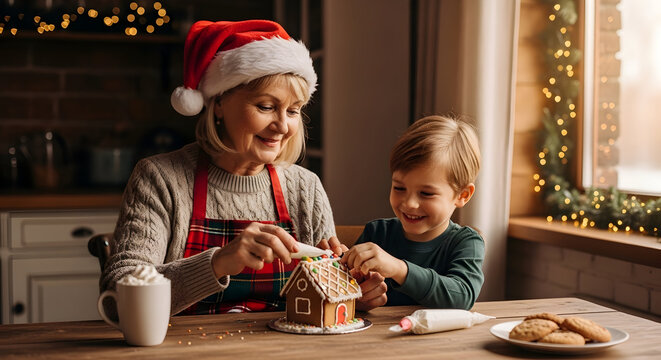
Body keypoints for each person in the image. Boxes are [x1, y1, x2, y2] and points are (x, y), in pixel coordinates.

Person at [100, 19, 385, 316]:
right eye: (265, 106)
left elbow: (321, 303)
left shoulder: (305, 188)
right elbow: (119, 294)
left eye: (293, 110)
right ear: (219, 103)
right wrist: (218, 263)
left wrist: (354, 295)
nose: (282, 126)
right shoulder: (161, 179)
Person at [341, 115, 485, 310]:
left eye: (426, 193)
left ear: (462, 195)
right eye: (399, 188)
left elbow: (462, 297)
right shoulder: (377, 234)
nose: (409, 203)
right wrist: (356, 296)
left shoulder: (467, 242)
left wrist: (399, 269)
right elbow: (346, 294)